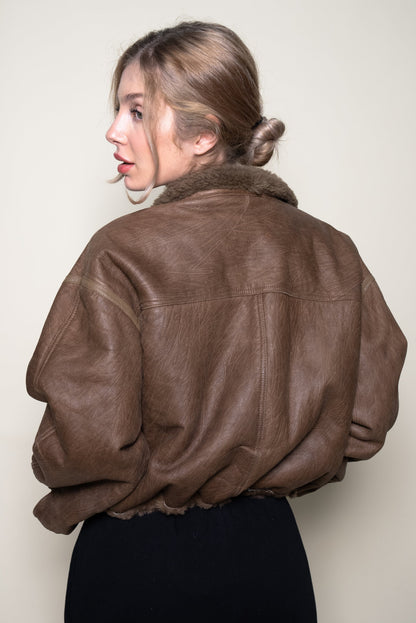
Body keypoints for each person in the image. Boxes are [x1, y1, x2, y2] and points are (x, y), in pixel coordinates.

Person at [27, 21, 407, 623]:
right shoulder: (332, 250)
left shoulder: (122, 249)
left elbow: (84, 445)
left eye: (135, 111)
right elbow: (365, 422)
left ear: (203, 133)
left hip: (136, 559)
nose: (113, 130)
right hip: (271, 558)